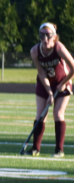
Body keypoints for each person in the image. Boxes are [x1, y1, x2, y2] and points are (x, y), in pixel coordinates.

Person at [30, 22, 74, 157]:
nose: (45, 39)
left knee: (58, 113)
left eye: (48, 36)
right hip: (45, 84)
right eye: (42, 36)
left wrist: (63, 83)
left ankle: (59, 150)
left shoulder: (59, 48)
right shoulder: (35, 51)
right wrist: (49, 92)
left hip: (63, 82)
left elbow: (73, 68)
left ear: (54, 37)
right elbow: (41, 73)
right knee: (41, 114)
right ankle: (35, 149)